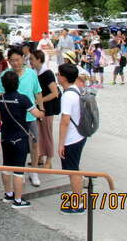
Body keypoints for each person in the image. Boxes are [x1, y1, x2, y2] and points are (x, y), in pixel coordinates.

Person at [0, 48, 43, 187]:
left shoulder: (31, 74)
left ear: (23, 58)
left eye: (18, 60)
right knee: (15, 146)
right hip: (13, 120)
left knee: (34, 145)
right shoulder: (5, 75)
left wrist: (41, 109)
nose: (15, 63)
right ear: (8, 61)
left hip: (30, 116)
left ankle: (33, 172)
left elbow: (38, 92)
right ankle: (18, 172)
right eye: (12, 61)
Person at [0, 71, 44, 208]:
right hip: (20, 138)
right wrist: (42, 111)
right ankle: (18, 200)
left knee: (6, 167)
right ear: (17, 83)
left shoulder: (1, 99)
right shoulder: (23, 98)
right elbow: (36, 114)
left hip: (6, 137)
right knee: (18, 171)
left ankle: (8, 194)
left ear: (3, 84)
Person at [57, 63, 87, 215]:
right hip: (80, 135)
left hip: (72, 138)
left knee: (73, 171)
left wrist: (61, 143)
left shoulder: (67, 96)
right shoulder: (76, 89)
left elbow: (65, 121)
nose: (57, 76)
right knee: (74, 169)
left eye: (58, 74)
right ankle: (77, 199)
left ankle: (77, 204)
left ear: (63, 77)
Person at [30, 50, 59, 169]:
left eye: (32, 59)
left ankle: (49, 160)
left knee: (47, 134)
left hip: (47, 109)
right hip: (37, 109)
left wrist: (39, 101)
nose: (30, 61)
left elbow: (54, 93)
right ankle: (40, 157)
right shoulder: (34, 73)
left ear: (39, 59)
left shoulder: (47, 73)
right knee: (38, 134)